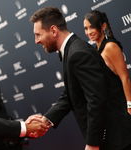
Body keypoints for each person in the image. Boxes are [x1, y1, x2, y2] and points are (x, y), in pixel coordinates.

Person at [28, 6, 131, 150]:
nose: (36, 41)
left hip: (115, 139)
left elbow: (96, 100)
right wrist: (47, 119)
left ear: (53, 30)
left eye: (38, 34)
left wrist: (93, 143)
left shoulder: (77, 53)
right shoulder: (71, 50)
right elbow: (71, 93)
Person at [83, 10, 131, 115]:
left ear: (103, 26)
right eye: (86, 28)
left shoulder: (110, 46)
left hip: (121, 106)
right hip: (111, 108)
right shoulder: (96, 49)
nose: (88, 32)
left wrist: (129, 105)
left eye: (92, 27)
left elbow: (125, 77)